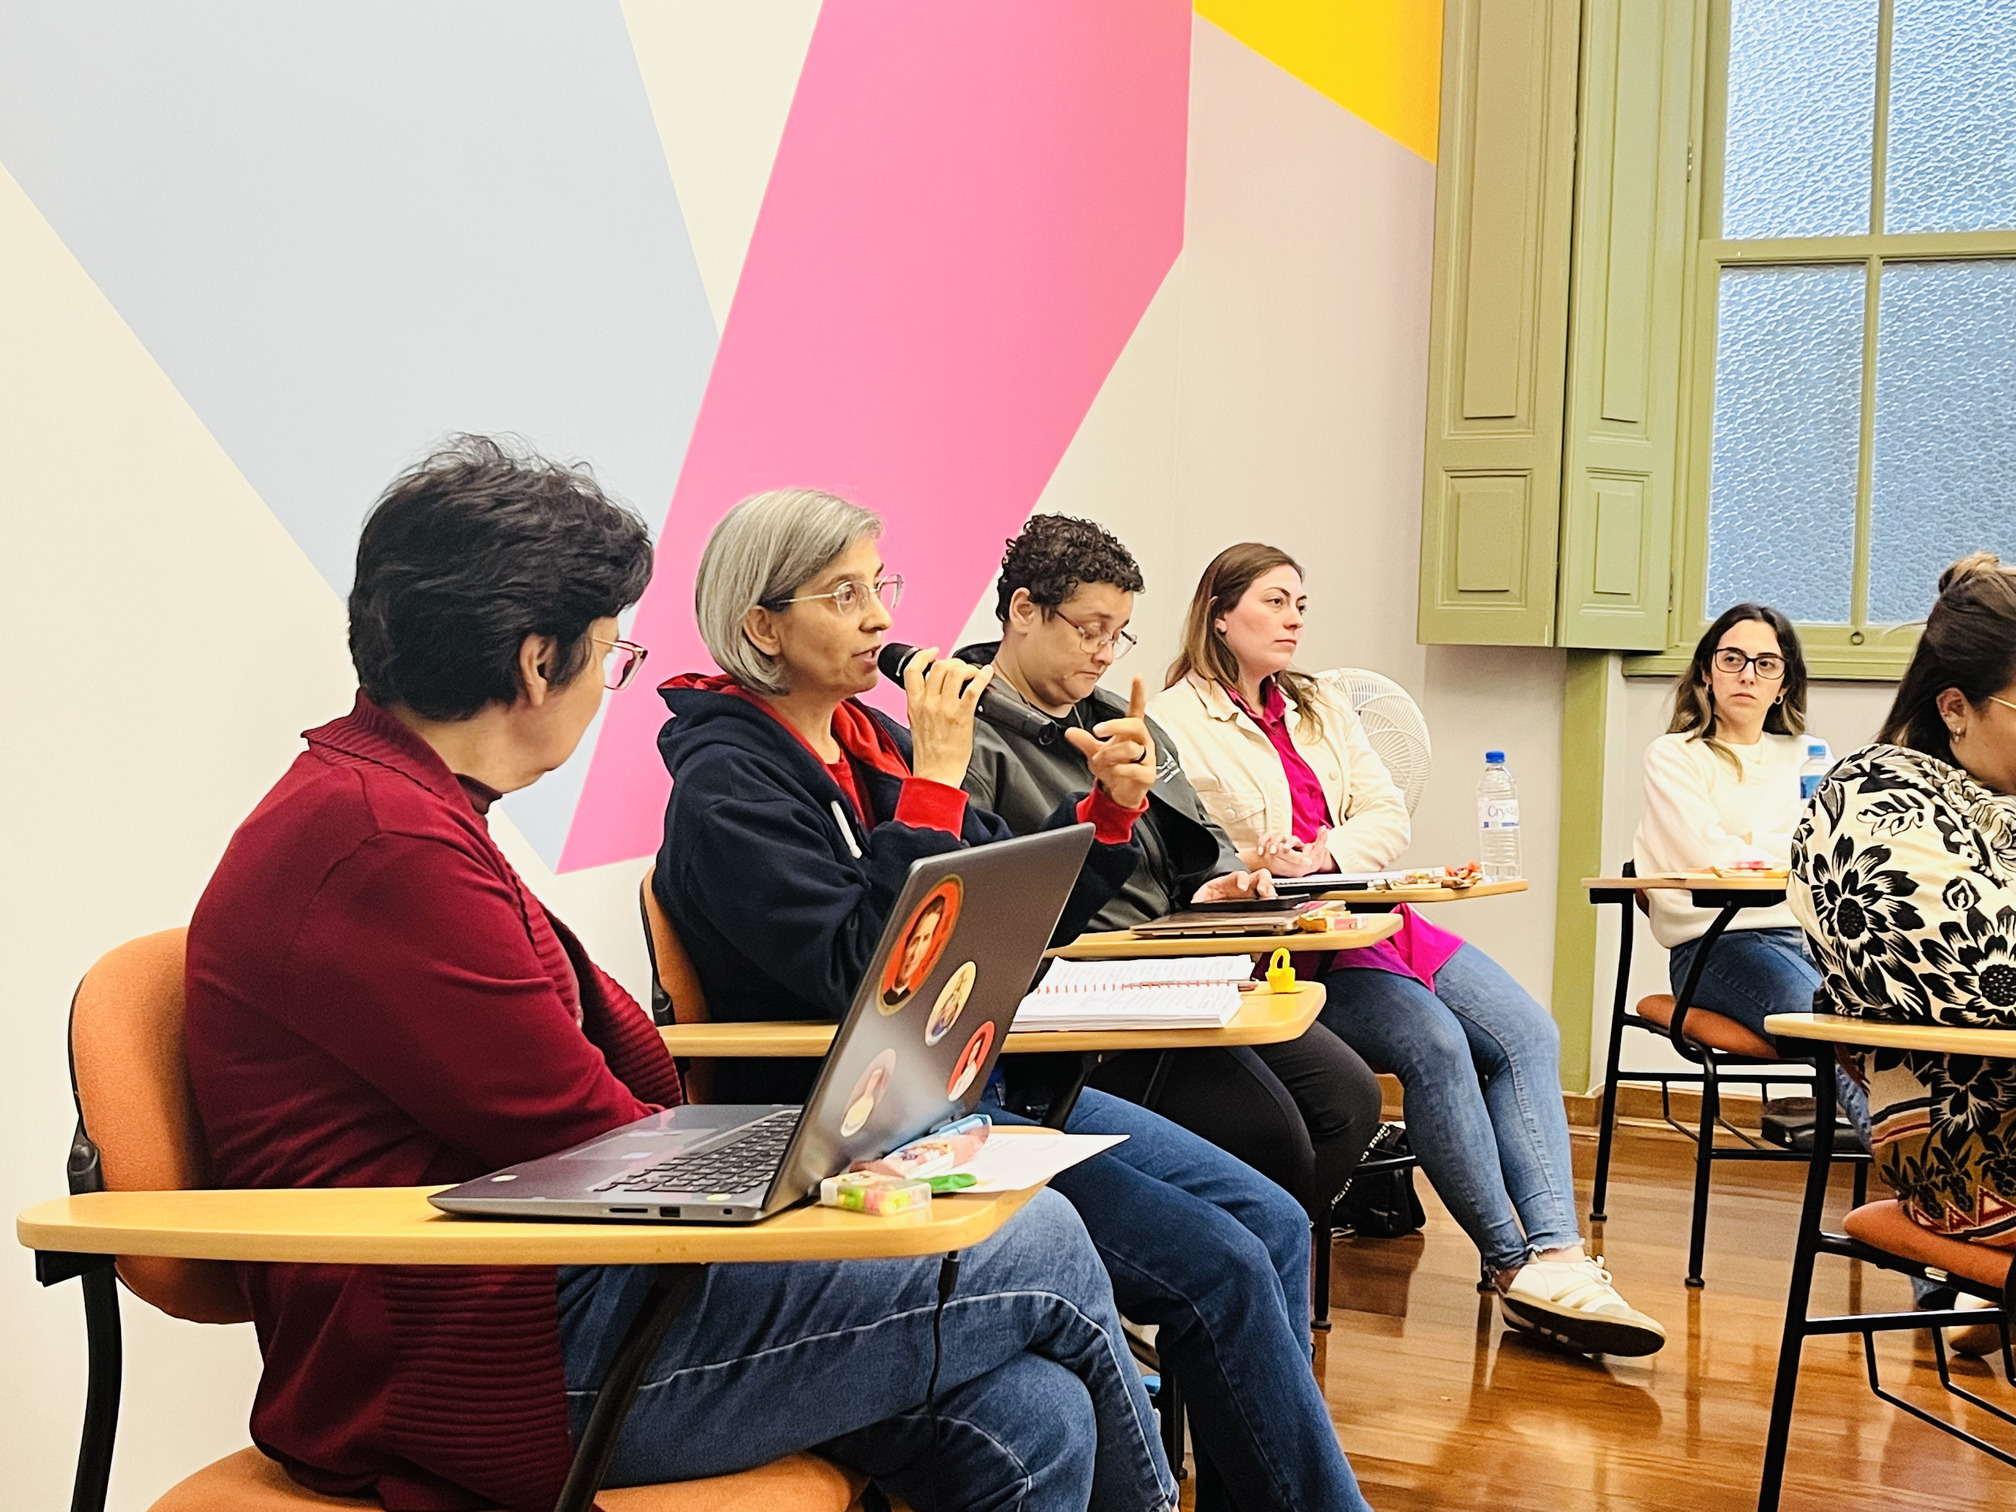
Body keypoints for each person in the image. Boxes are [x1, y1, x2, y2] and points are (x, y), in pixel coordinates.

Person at [184, 440, 1171, 1512]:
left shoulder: (399, 809)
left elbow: (588, 1101)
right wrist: (802, 1185)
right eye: (611, 654)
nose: (610, 685)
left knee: (1035, 1413)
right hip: (488, 1354)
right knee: (1037, 1237)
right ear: (537, 663)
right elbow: (586, 1135)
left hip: (556, 1284)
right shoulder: (383, 844)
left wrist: (802, 1165)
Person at [654, 490, 1372, 1512]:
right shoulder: (728, 786)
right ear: (762, 627)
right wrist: (936, 786)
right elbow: (864, 975)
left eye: (880, 585)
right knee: (1220, 1267)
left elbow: (1015, 913)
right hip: (872, 1127)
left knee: (1272, 1220)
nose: (879, 616)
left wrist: (1108, 816)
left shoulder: (868, 744)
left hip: (972, 1086)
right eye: (843, 594)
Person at [1150, 542, 1665, 1358]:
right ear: (1219, 614)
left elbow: (1387, 814)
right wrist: (1259, 861)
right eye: (1275, 602)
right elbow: (1194, 855)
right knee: (1436, 1045)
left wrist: (1324, 853)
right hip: (1292, 947)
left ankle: (1560, 1257)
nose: (1293, 620)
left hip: (1373, 916)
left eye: (1301, 605)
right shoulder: (1173, 720)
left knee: (1528, 1033)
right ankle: (1513, 1266)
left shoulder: (1321, 703)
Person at [952, 516, 1386, 1261]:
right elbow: (986, 900)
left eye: (1118, 633)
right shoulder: (965, 734)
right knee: (1276, 1138)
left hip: (1178, 959)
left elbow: (1202, 843)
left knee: (1351, 1097)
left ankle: (1245, 1274)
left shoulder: (1121, 721)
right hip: (1086, 988)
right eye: (1090, 629)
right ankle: (1222, 1275)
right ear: (1023, 611)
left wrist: (1223, 884)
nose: (1104, 651)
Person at [1791, 552, 2016, 1327]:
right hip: (1976, 1153)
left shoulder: (1994, 798)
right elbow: (1986, 973)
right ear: (1956, 707)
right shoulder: (1871, 801)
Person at [1635, 605, 1826, 1045]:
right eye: (1732, 659)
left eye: (1767, 664)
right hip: (1717, 944)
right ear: (1707, 672)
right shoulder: (1674, 755)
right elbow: (1710, 858)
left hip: (1813, 940)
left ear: (1784, 685)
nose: (1747, 675)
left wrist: (1750, 841)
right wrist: (1786, 849)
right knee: (1829, 1025)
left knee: (1895, 1018)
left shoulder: (1810, 756)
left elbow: (1828, 854)